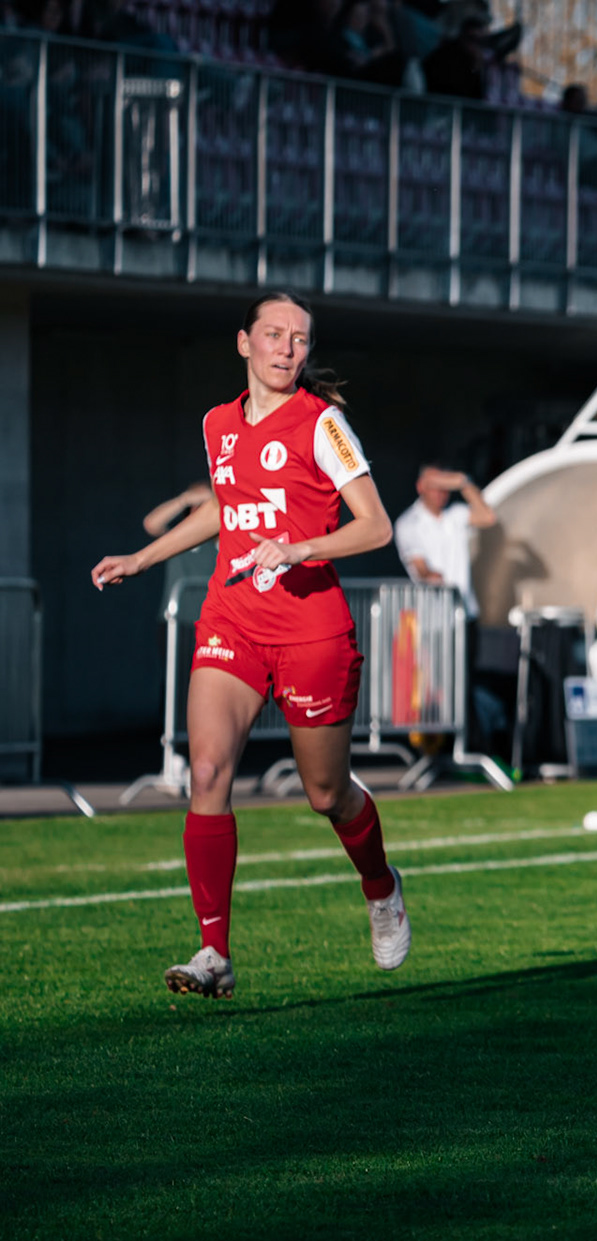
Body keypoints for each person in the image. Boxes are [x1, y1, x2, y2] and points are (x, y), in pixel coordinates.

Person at [89, 292, 405, 999]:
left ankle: (380, 886)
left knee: (327, 795)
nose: (288, 348)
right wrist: (142, 558)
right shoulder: (217, 424)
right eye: (274, 335)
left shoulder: (325, 425)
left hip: (313, 631)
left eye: (299, 338)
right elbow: (224, 509)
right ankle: (213, 952)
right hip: (233, 619)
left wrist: (300, 547)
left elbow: (376, 527)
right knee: (206, 772)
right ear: (244, 343)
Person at [393, 461, 496, 617]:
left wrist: (463, 482)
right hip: (431, 616)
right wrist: (430, 576)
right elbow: (420, 568)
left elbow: (487, 517)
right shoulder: (408, 523)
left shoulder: (455, 514)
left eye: (445, 486)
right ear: (421, 486)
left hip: (465, 611)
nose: (441, 492)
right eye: (435, 486)